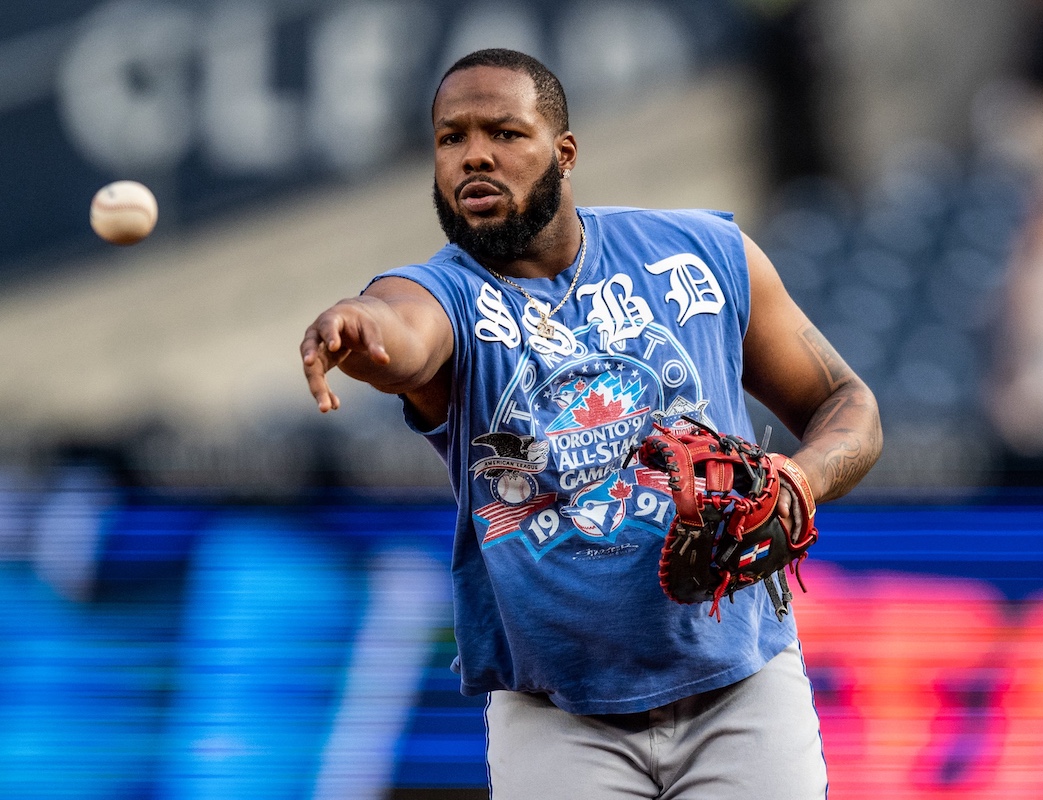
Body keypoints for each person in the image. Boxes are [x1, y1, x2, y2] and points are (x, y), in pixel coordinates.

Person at [301, 49, 881, 800]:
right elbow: (403, 333)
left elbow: (848, 404)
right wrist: (359, 326)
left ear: (563, 153)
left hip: (742, 689)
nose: (474, 154)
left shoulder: (701, 255)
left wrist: (801, 478)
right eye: (451, 138)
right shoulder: (441, 292)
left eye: (505, 133)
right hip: (559, 719)